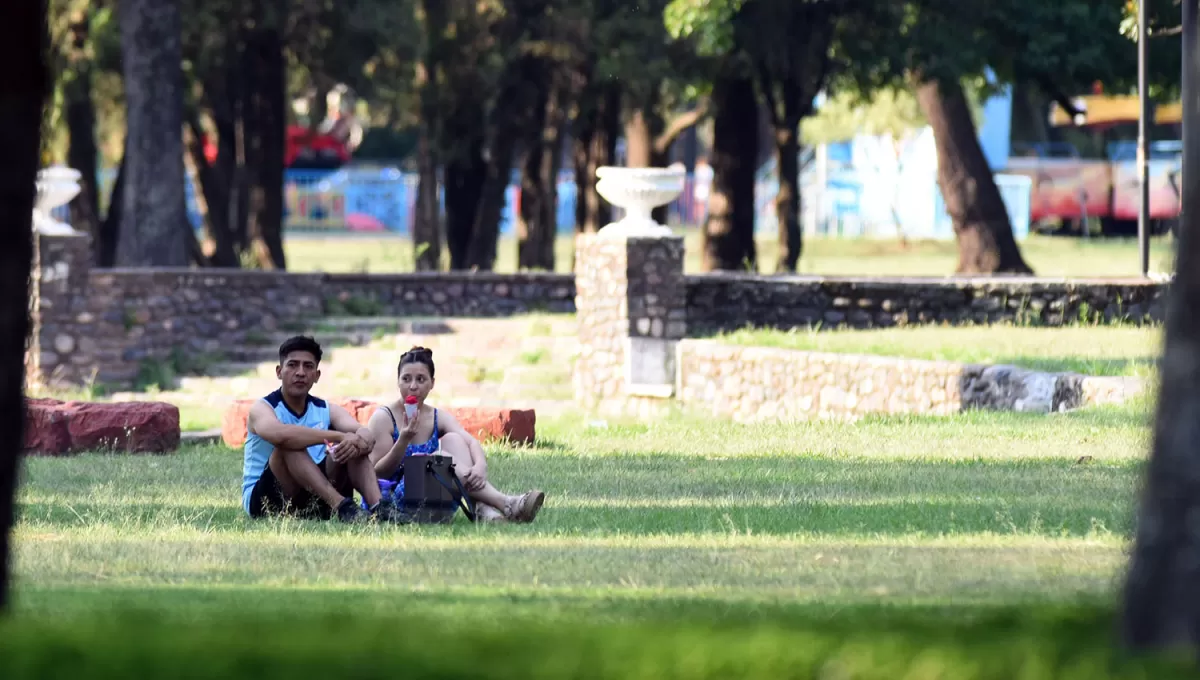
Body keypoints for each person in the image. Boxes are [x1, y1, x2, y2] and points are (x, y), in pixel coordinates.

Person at [366, 346, 545, 523]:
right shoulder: (384, 418)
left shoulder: (436, 416)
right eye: (406, 379)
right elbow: (375, 473)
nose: (413, 386)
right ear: (398, 381)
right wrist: (403, 440)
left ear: (432, 383)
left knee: (455, 439)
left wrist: (480, 466)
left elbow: (471, 441)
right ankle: (506, 504)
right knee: (436, 459)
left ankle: (481, 507)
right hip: (394, 506)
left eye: (421, 379)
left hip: (434, 501)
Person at [242, 335, 409, 524]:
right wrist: (338, 435)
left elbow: (365, 433)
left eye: (308, 366)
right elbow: (280, 435)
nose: (300, 372)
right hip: (267, 500)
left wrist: (358, 441)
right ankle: (343, 508)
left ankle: (379, 507)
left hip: (314, 495)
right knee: (288, 446)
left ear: (317, 375)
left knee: (352, 445)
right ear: (279, 372)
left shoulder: (326, 409)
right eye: (292, 365)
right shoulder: (262, 408)